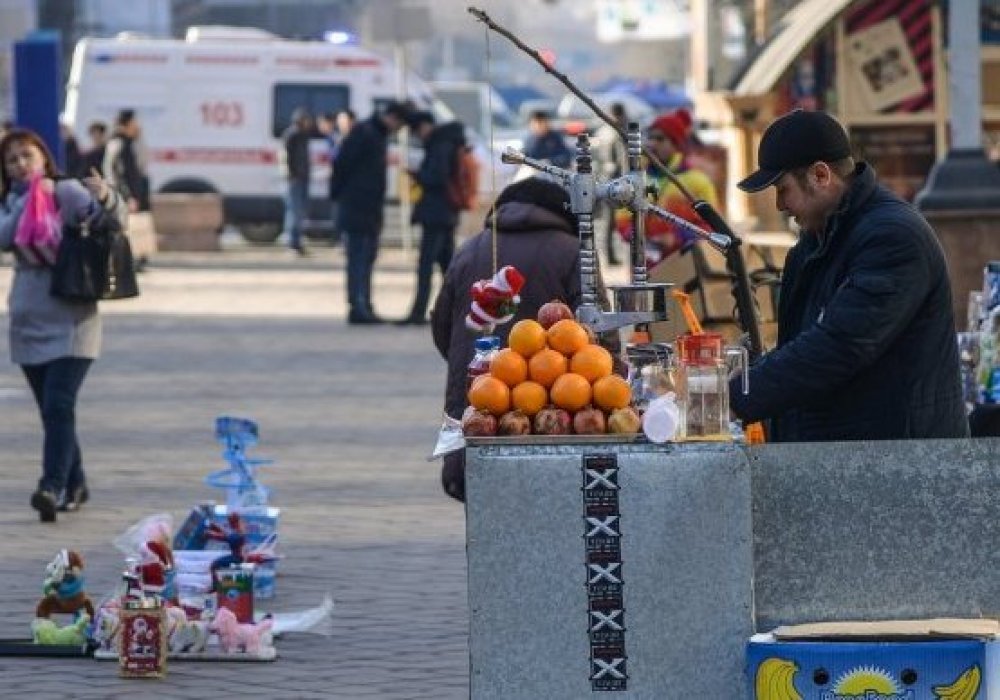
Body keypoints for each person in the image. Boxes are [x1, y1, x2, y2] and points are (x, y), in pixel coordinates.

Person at [728, 109, 968, 441]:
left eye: (782, 189)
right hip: (843, 461)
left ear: (821, 176)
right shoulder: (817, 241)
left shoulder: (893, 236)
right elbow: (800, 345)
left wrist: (732, 398)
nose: (781, 205)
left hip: (900, 466)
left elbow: (838, 346)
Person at [431, 177, 588, 501]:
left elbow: (441, 326)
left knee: (486, 514)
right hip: (550, 408)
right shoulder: (573, 253)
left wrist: (481, 368)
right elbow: (595, 333)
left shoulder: (470, 249)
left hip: (478, 401)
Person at [0, 128, 129, 521]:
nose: (22, 165)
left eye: (28, 156)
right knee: (52, 411)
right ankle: (76, 481)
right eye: (12, 160)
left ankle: (50, 486)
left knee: (59, 403)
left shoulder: (66, 192)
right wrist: (26, 201)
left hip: (72, 314)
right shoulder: (11, 202)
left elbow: (116, 221)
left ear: (44, 157)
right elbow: (4, 238)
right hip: (28, 315)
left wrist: (105, 195)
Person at [330, 100, 412, 324]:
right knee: (358, 258)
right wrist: (341, 196)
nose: (398, 130)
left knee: (366, 259)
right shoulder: (364, 133)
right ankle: (357, 306)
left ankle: (364, 304)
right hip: (357, 207)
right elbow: (341, 165)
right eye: (399, 124)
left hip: (368, 208)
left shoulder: (375, 134)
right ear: (392, 118)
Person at [614, 108, 718, 265]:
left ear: (675, 144)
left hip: (685, 266)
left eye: (660, 139)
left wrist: (677, 237)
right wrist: (639, 238)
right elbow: (622, 222)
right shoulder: (634, 182)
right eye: (651, 137)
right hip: (645, 267)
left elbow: (710, 226)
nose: (652, 143)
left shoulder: (696, 182)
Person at [398, 111, 467, 326]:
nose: (419, 136)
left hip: (436, 213)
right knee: (447, 266)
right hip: (446, 213)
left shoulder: (439, 144)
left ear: (425, 126)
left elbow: (437, 177)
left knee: (426, 264)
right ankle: (458, 311)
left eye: (418, 131)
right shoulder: (448, 141)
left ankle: (418, 312)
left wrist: (417, 175)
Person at [594, 102, 629, 265]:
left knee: (609, 222)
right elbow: (623, 161)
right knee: (614, 221)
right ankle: (611, 256)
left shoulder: (602, 132)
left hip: (604, 179)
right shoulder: (618, 133)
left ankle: (609, 256)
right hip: (617, 180)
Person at [280, 107, 313, 256]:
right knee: (294, 211)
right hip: (295, 179)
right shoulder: (291, 135)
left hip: (303, 177)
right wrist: (289, 174)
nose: (309, 122)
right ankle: (292, 243)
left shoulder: (303, 135)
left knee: (300, 212)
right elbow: (284, 157)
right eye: (306, 119)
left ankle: (298, 242)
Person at [104, 108, 149, 213]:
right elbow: (115, 171)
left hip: (130, 193)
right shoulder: (118, 143)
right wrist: (127, 196)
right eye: (134, 122)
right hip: (123, 195)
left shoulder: (131, 142)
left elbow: (142, 163)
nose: (137, 125)